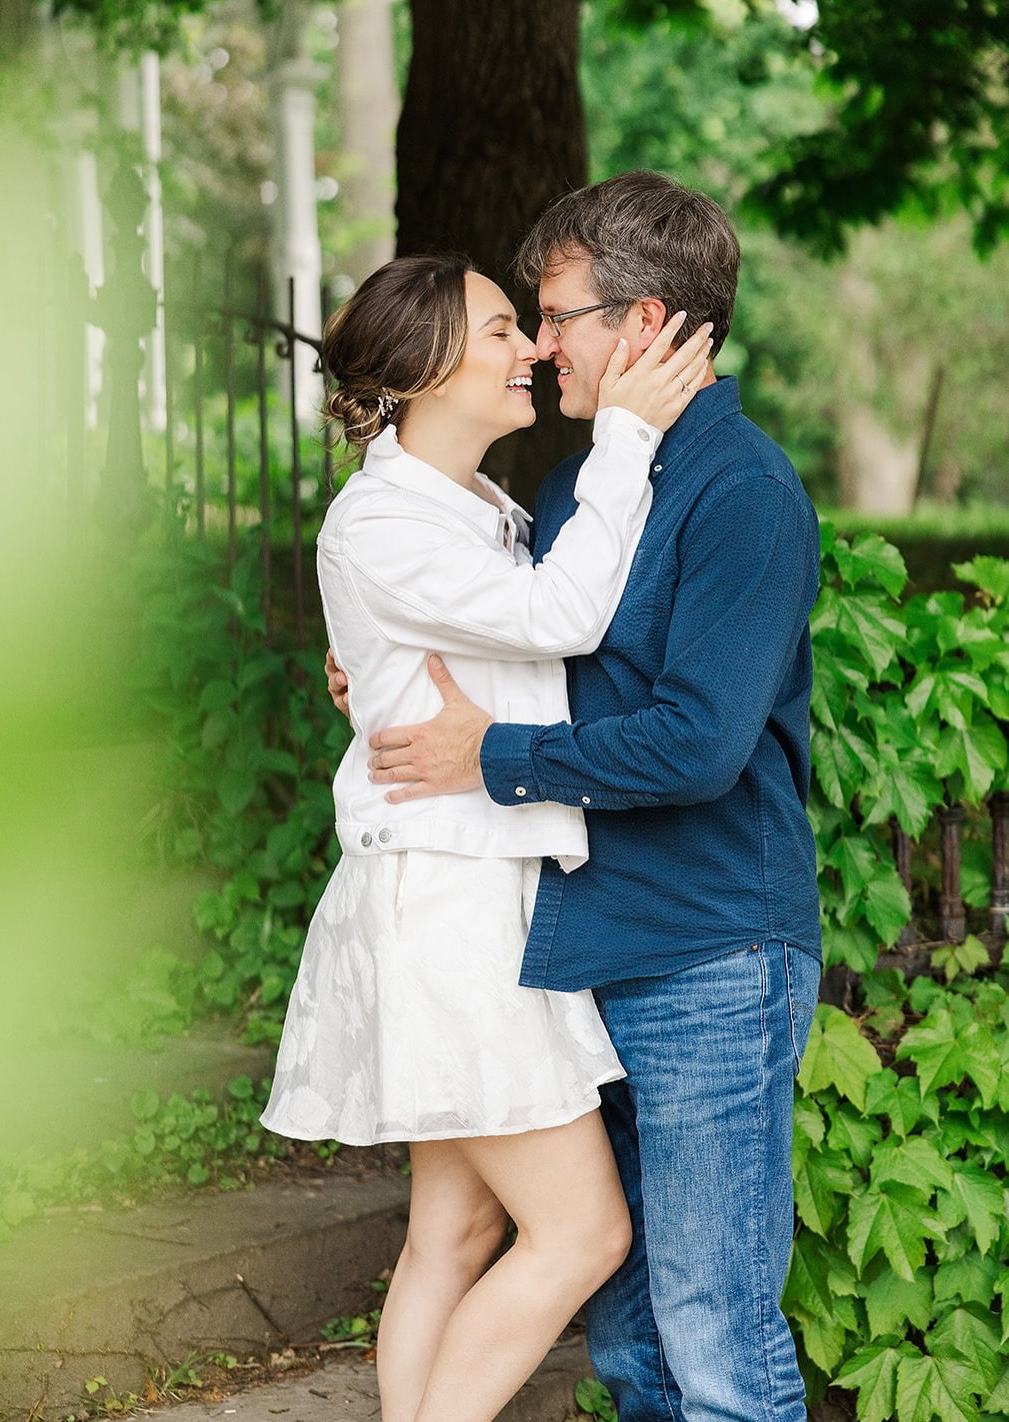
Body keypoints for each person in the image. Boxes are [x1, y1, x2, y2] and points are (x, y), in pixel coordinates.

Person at [343, 173, 824, 1421]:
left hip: (709, 952)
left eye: (555, 313)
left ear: (646, 323)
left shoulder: (744, 496)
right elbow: (505, 634)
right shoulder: (570, 490)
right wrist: (369, 668)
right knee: (631, 1345)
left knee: (715, 1334)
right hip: (580, 948)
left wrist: (487, 755)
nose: (543, 342)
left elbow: (695, 747)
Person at [260, 251, 713, 1422]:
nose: (532, 350)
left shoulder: (468, 506)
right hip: (451, 903)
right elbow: (562, 617)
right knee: (582, 1231)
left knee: (454, 1231)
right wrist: (620, 439)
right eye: (504, 330)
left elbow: (475, 655)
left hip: (478, 884)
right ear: (420, 367)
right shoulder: (381, 522)